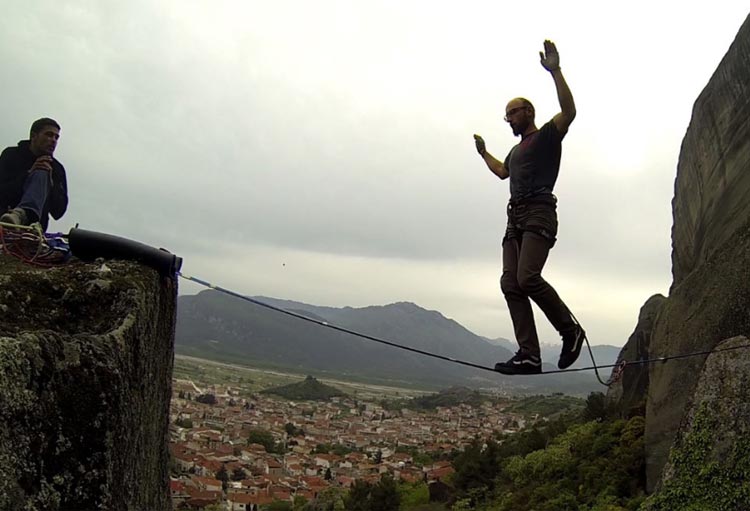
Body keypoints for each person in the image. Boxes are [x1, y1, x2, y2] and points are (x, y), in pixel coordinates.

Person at [473, 40, 585, 375]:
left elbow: (569, 112)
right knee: (511, 283)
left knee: (528, 277)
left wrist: (556, 71)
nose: (508, 119)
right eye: (506, 115)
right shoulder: (516, 151)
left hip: (538, 211)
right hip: (515, 218)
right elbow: (502, 172)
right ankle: (529, 355)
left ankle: (570, 331)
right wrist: (483, 153)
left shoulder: (547, 136)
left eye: (512, 112)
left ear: (529, 112)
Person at [0, 118, 68, 231]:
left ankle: (22, 215)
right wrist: (28, 175)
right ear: (33, 136)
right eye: (49, 135)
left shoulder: (57, 169)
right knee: (41, 170)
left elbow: (58, 212)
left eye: (56, 137)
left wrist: (50, 185)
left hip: (33, 230)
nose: (53, 140)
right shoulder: (11, 155)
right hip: (4, 220)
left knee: (43, 170)